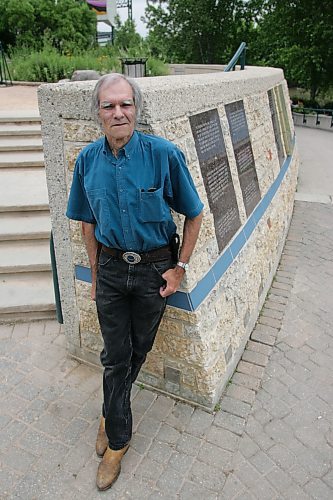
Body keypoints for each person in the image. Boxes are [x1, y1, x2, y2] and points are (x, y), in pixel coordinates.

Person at [66, 73, 203, 491]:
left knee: (138, 349)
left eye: (125, 104)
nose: (118, 112)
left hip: (153, 270)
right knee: (115, 355)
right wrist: (94, 273)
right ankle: (119, 442)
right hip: (109, 268)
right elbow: (87, 224)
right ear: (98, 114)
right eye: (109, 106)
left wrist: (178, 268)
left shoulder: (163, 155)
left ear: (136, 109)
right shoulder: (87, 161)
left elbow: (194, 214)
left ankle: (109, 410)